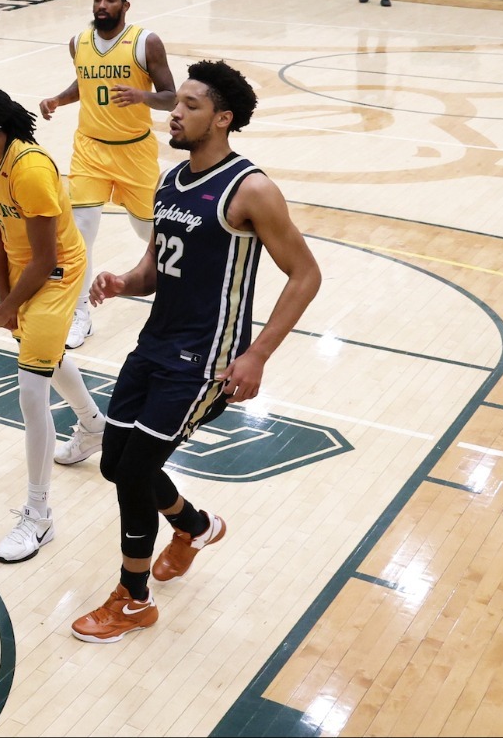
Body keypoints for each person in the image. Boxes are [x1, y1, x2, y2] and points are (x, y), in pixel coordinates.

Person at [71, 61, 321, 643]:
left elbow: (305, 275)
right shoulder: (168, 181)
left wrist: (257, 354)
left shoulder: (250, 188)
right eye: (175, 103)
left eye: (189, 105)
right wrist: (122, 281)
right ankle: (195, 526)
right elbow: (154, 271)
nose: (173, 112)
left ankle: (133, 600)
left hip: (206, 360)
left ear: (223, 119)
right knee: (115, 465)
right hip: (153, 345)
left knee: (134, 472)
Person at [0, 82, 108, 565]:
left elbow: (47, 258)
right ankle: (95, 427)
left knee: (29, 390)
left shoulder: (31, 170)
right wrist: (4, 299)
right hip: (21, 270)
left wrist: (9, 305)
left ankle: (39, 517)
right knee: (45, 360)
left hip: (55, 275)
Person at [38, 0, 176, 349]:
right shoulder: (78, 42)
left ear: (125, 6)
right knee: (79, 236)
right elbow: (83, 83)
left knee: (149, 233)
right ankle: (80, 314)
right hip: (90, 151)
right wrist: (57, 100)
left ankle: (182, 285)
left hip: (135, 151)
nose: (101, 5)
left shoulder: (146, 42)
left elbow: (170, 97)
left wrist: (141, 95)